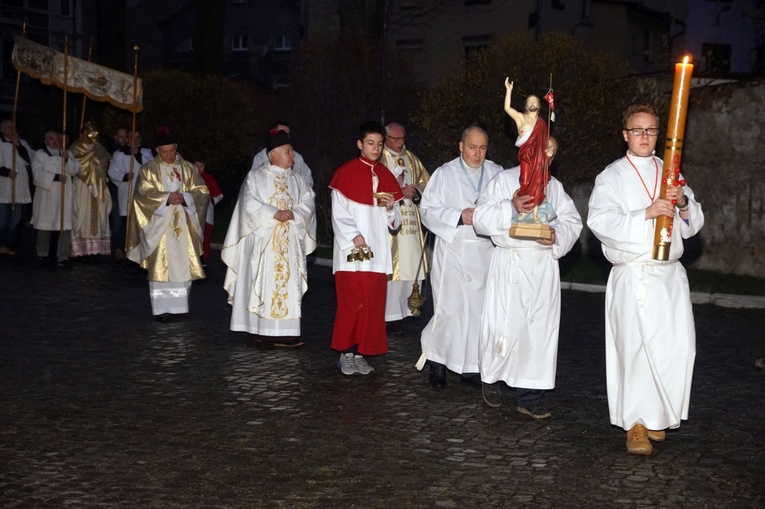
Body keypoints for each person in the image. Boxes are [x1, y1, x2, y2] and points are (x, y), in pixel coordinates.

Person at [587, 102, 704, 455]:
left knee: (673, 348)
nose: (644, 136)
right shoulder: (611, 176)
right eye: (637, 130)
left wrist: (683, 203)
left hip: (668, 277)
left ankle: (656, 415)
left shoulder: (672, 172)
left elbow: (694, 223)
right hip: (634, 274)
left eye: (651, 130)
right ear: (625, 135)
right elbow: (601, 223)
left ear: (660, 135)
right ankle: (634, 424)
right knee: (635, 350)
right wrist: (647, 212)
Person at [473, 136, 582, 417]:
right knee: (502, 327)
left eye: (551, 152)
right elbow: (480, 218)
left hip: (541, 266)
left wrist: (557, 236)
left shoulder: (554, 187)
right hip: (510, 263)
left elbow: (572, 221)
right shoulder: (503, 180)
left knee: (537, 332)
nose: (545, 156)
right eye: (539, 150)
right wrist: (510, 207)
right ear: (525, 152)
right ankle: (492, 379)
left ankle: (529, 397)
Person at [418, 124, 504, 389]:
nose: (477, 154)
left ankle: (471, 366)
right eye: (471, 147)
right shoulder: (445, 174)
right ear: (460, 146)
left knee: (479, 311)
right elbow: (427, 210)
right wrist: (458, 216)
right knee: (450, 308)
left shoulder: (496, 172)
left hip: (485, 251)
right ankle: (437, 362)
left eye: (482, 148)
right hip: (453, 247)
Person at [222, 129, 316, 347]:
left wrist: (296, 213)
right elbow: (248, 203)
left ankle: (287, 333)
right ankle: (258, 330)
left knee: (287, 284)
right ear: (273, 154)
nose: (293, 156)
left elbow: (309, 201)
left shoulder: (298, 180)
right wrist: (272, 213)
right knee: (262, 283)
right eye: (288, 152)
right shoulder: (255, 177)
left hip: (290, 241)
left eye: (291, 152)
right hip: (263, 243)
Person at [330, 121, 403, 375]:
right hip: (351, 251)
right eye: (370, 143)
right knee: (352, 302)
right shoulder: (345, 173)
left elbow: (395, 224)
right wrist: (352, 233)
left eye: (379, 144)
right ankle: (345, 353)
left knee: (372, 304)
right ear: (360, 144)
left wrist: (391, 208)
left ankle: (361, 354)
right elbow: (338, 213)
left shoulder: (386, 175)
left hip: (377, 253)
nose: (375, 148)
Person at [125, 129, 209, 321]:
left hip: (183, 224)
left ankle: (179, 307)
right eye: (165, 152)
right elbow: (142, 195)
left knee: (182, 265)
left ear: (176, 148)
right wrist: (166, 198)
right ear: (157, 150)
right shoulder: (148, 170)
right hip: (160, 226)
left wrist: (186, 197)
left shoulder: (188, 168)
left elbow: (202, 191)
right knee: (161, 266)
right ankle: (162, 309)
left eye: (172, 151)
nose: (169, 155)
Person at [379, 122, 430, 321]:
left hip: (410, 221)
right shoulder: (380, 159)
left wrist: (416, 192)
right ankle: (388, 316)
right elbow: (374, 189)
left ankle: (407, 311)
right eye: (396, 139)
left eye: (402, 139)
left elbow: (426, 183)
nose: (400, 143)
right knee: (393, 267)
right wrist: (399, 193)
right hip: (389, 221)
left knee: (410, 264)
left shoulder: (411, 159)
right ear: (386, 139)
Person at [31, 131, 81, 267]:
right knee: (44, 226)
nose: (55, 141)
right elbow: (36, 173)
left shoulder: (66, 154)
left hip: (64, 194)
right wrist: (55, 177)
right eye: (51, 139)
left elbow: (76, 170)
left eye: (57, 139)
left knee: (65, 225)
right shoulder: (40, 154)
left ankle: (63, 255)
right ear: (45, 141)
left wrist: (66, 160)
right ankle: (42, 253)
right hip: (47, 195)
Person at [504, 78, 550, 223]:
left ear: (539, 106)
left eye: (535, 102)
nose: (532, 104)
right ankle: (524, 211)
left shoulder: (542, 123)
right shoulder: (521, 118)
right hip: (526, 158)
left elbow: (545, 142)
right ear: (525, 105)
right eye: (529, 102)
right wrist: (509, 91)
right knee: (524, 182)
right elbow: (507, 108)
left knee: (537, 185)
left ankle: (535, 214)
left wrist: (549, 149)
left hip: (538, 159)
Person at [69, 122, 112, 258]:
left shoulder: (100, 148)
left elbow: (105, 160)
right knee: (81, 213)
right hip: (83, 185)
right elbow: (76, 163)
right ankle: (81, 250)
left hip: (98, 185)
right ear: (81, 134)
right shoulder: (75, 147)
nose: (90, 137)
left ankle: (97, 250)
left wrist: (94, 157)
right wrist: (91, 157)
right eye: (87, 133)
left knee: (99, 215)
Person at [108, 131, 153, 261]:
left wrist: (137, 155)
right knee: (125, 223)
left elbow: (151, 168)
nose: (135, 140)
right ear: (127, 139)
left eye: (138, 137)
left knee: (141, 223)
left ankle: (141, 251)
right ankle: (125, 249)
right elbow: (112, 172)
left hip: (142, 193)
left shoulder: (146, 152)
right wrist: (124, 176)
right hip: (126, 191)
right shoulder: (119, 154)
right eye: (132, 137)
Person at [0, 119, 34, 256]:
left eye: (13, 127)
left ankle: (10, 244)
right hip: (3, 185)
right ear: (2, 130)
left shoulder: (23, 143)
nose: (12, 130)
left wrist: (18, 146)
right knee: (2, 218)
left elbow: (30, 159)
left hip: (18, 187)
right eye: (8, 127)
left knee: (16, 218)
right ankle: (2, 244)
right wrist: (6, 172)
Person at [250, 121, 313, 189]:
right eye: (282, 133)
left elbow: (308, 182)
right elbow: (253, 184)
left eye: (287, 134)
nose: (285, 137)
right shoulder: (260, 158)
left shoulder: (297, 158)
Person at [194, 159, 224, 267]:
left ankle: (204, 257)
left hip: (206, 212)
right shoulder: (187, 177)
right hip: (191, 211)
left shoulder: (209, 178)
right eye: (196, 166)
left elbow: (219, 195)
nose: (198, 169)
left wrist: (210, 201)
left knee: (205, 235)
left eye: (201, 166)